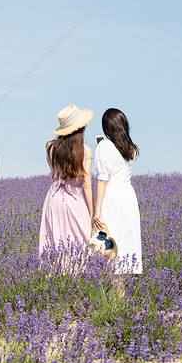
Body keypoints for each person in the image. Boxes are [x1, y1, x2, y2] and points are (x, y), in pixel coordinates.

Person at [39, 105, 94, 259]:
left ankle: (56, 277)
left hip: (53, 198)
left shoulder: (51, 147)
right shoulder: (85, 151)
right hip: (74, 200)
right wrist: (92, 212)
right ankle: (78, 279)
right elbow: (87, 183)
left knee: (54, 240)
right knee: (82, 242)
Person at [93, 108, 142, 274]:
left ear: (107, 128)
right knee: (127, 238)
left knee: (109, 240)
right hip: (128, 195)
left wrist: (97, 210)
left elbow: (102, 179)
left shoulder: (104, 146)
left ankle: (113, 288)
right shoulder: (131, 148)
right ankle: (121, 289)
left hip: (111, 195)